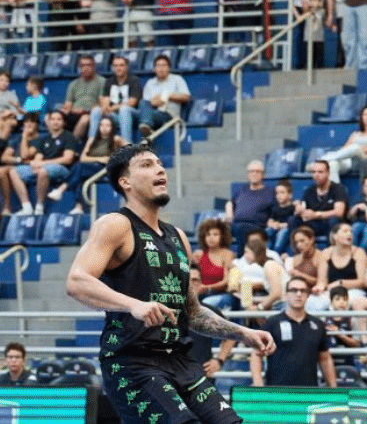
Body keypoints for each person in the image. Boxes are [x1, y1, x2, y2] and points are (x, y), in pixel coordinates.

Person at [65, 144, 275, 422]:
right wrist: (134, 305)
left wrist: (242, 333)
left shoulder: (178, 237)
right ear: (125, 182)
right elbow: (77, 281)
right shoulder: (115, 224)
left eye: (159, 163)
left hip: (179, 361)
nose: (159, 168)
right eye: (146, 164)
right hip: (132, 362)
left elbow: (193, 312)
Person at [251, 277, 337, 387]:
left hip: (309, 394)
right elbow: (256, 353)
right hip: (277, 393)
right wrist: (258, 384)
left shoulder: (318, 325)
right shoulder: (272, 323)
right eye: (293, 290)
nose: (298, 294)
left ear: (308, 295)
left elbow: (325, 359)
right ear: (286, 294)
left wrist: (333, 388)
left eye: (303, 290)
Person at [8, 109, 77, 215]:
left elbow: (68, 159)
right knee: (13, 171)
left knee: (43, 171)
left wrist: (43, 164)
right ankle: (26, 206)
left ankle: (39, 207)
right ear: (49, 122)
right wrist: (34, 163)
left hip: (63, 169)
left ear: (63, 122)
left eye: (59, 119)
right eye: (53, 119)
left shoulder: (68, 136)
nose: (55, 121)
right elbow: (39, 157)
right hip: (45, 167)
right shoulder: (45, 139)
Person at [319, 105, 367, 185]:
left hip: (362, 160)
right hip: (349, 161)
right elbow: (344, 150)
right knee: (332, 164)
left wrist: (358, 148)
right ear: (361, 117)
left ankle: (322, 160)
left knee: (355, 147)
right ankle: (336, 193)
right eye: (365, 115)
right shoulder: (355, 134)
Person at [290, 160, 348, 241]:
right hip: (314, 224)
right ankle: (296, 251)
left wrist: (316, 214)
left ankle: (331, 251)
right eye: (314, 172)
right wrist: (299, 210)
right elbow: (302, 206)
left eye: (320, 172)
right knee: (293, 220)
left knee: (333, 220)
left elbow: (339, 212)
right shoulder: (309, 190)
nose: (316, 175)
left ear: (328, 173)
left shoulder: (338, 189)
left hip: (329, 224)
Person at [137, 55, 190, 139]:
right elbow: (146, 103)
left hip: (168, 114)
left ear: (169, 68)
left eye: (164, 65)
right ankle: (146, 127)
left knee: (145, 115)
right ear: (154, 69)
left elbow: (186, 97)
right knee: (141, 103)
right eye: (158, 66)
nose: (161, 68)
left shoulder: (177, 79)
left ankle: (146, 128)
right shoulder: (150, 83)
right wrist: (153, 102)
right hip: (152, 112)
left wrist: (167, 96)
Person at [225, 160, 274, 249]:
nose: (254, 174)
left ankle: (242, 257)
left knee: (241, 228)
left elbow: (276, 210)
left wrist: (271, 220)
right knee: (214, 227)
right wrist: (229, 213)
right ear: (248, 174)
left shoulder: (269, 192)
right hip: (235, 225)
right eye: (251, 171)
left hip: (256, 227)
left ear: (263, 175)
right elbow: (230, 202)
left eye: (258, 171)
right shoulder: (242, 191)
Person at [192, 217, 236, 311]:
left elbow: (226, 281)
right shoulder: (198, 254)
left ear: (222, 236)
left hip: (221, 295)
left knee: (207, 303)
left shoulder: (227, 254)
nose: (211, 238)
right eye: (208, 235)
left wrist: (207, 288)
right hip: (199, 294)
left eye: (215, 234)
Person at [59, 54, 103, 141]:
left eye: (88, 65)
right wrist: (68, 109)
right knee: (52, 117)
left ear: (94, 66)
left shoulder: (102, 82)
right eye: (82, 65)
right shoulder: (73, 84)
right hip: (74, 112)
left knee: (84, 119)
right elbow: (68, 103)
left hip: (90, 113)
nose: (85, 68)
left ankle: (71, 146)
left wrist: (85, 109)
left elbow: (101, 104)